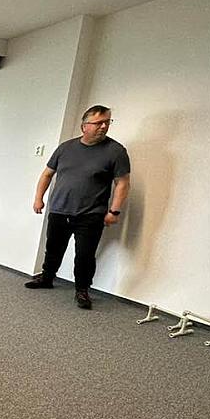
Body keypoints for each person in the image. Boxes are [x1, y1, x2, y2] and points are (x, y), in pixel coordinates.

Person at [25, 105, 131, 309]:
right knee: (53, 248)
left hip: (90, 214)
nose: (103, 126)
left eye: (107, 122)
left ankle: (82, 290)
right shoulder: (65, 148)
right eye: (98, 123)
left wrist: (114, 211)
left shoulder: (115, 151)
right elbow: (47, 174)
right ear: (84, 126)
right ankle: (47, 278)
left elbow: (123, 183)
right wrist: (38, 198)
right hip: (59, 209)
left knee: (84, 255)